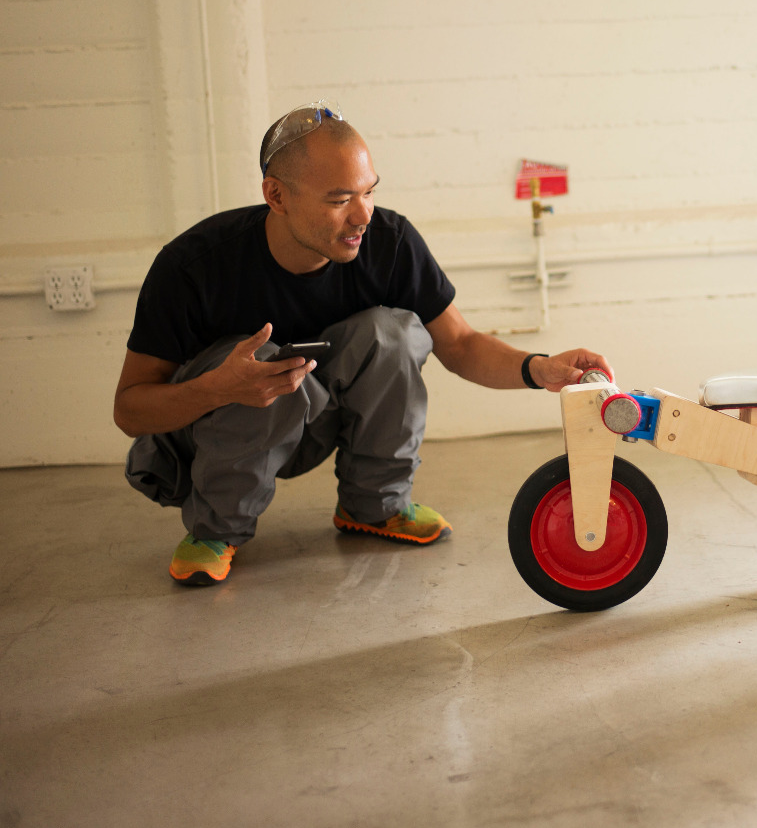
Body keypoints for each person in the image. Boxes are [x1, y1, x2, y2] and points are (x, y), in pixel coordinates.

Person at [114, 101, 611, 587]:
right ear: (277, 195)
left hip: (312, 420)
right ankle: (214, 531)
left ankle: (375, 505)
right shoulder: (193, 267)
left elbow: (459, 344)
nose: (362, 216)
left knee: (393, 332)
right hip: (208, 439)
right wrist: (218, 389)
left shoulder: (389, 242)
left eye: (369, 192)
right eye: (338, 200)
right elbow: (130, 411)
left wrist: (540, 368)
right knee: (258, 359)